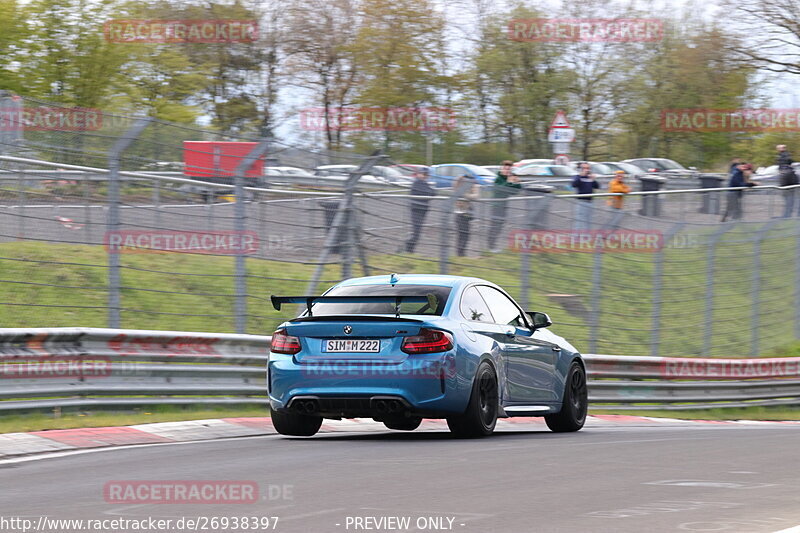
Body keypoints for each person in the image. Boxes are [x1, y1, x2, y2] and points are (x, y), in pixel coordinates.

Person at [488, 160, 521, 253]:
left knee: (500, 226)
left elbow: (515, 191)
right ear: (502, 168)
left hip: (504, 205)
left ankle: (493, 245)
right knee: (494, 226)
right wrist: (509, 182)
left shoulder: (509, 178)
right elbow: (502, 189)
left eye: (509, 169)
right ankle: (490, 246)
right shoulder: (498, 179)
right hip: (496, 205)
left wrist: (517, 183)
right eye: (505, 169)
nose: (507, 171)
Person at [404, 169, 436, 253]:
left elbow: (432, 192)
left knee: (417, 232)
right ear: (418, 174)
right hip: (417, 209)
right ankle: (408, 249)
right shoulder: (417, 182)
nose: (425, 176)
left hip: (422, 209)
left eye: (426, 175)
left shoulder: (424, 183)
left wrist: (429, 192)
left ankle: (409, 250)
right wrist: (429, 193)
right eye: (423, 174)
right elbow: (429, 193)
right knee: (416, 232)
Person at [453, 173, 479, 257]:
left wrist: (473, 189)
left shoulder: (466, 188)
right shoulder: (460, 187)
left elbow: (476, 196)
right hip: (461, 214)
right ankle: (460, 254)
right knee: (463, 235)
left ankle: (461, 253)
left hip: (465, 214)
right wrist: (468, 195)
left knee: (464, 235)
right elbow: (472, 196)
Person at [571, 162, 600, 229]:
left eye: (588, 168)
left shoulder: (590, 177)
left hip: (590, 201)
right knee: (579, 221)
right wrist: (581, 176)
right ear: (580, 169)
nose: (586, 170)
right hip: (581, 201)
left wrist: (594, 180)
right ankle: (577, 237)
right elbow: (574, 184)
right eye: (584, 168)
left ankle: (587, 237)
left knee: (588, 220)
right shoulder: (577, 176)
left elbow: (597, 186)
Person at [777, 145, 798, 217]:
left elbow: (787, 161)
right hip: (789, 178)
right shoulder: (783, 156)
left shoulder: (784, 156)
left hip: (787, 179)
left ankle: (788, 214)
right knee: (791, 199)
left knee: (790, 198)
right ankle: (790, 214)